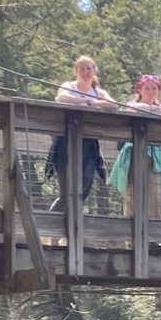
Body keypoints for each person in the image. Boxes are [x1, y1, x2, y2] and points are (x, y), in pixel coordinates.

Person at [45, 55, 115, 211]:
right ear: (75, 71)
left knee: (82, 192)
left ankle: (69, 232)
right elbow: (62, 98)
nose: (85, 72)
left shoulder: (98, 91)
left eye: (89, 68)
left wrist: (91, 101)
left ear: (94, 70)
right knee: (66, 193)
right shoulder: (68, 85)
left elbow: (113, 104)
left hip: (89, 145)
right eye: (81, 68)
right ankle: (50, 232)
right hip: (65, 143)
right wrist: (86, 102)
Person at [109, 74, 161, 219]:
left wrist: (152, 110)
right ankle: (131, 239)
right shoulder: (133, 104)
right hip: (133, 154)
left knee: (155, 195)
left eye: (154, 88)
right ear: (140, 89)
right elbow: (137, 109)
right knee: (132, 193)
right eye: (147, 88)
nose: (151, 91)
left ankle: (153, 237)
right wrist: (154, 111)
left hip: (154, 156)